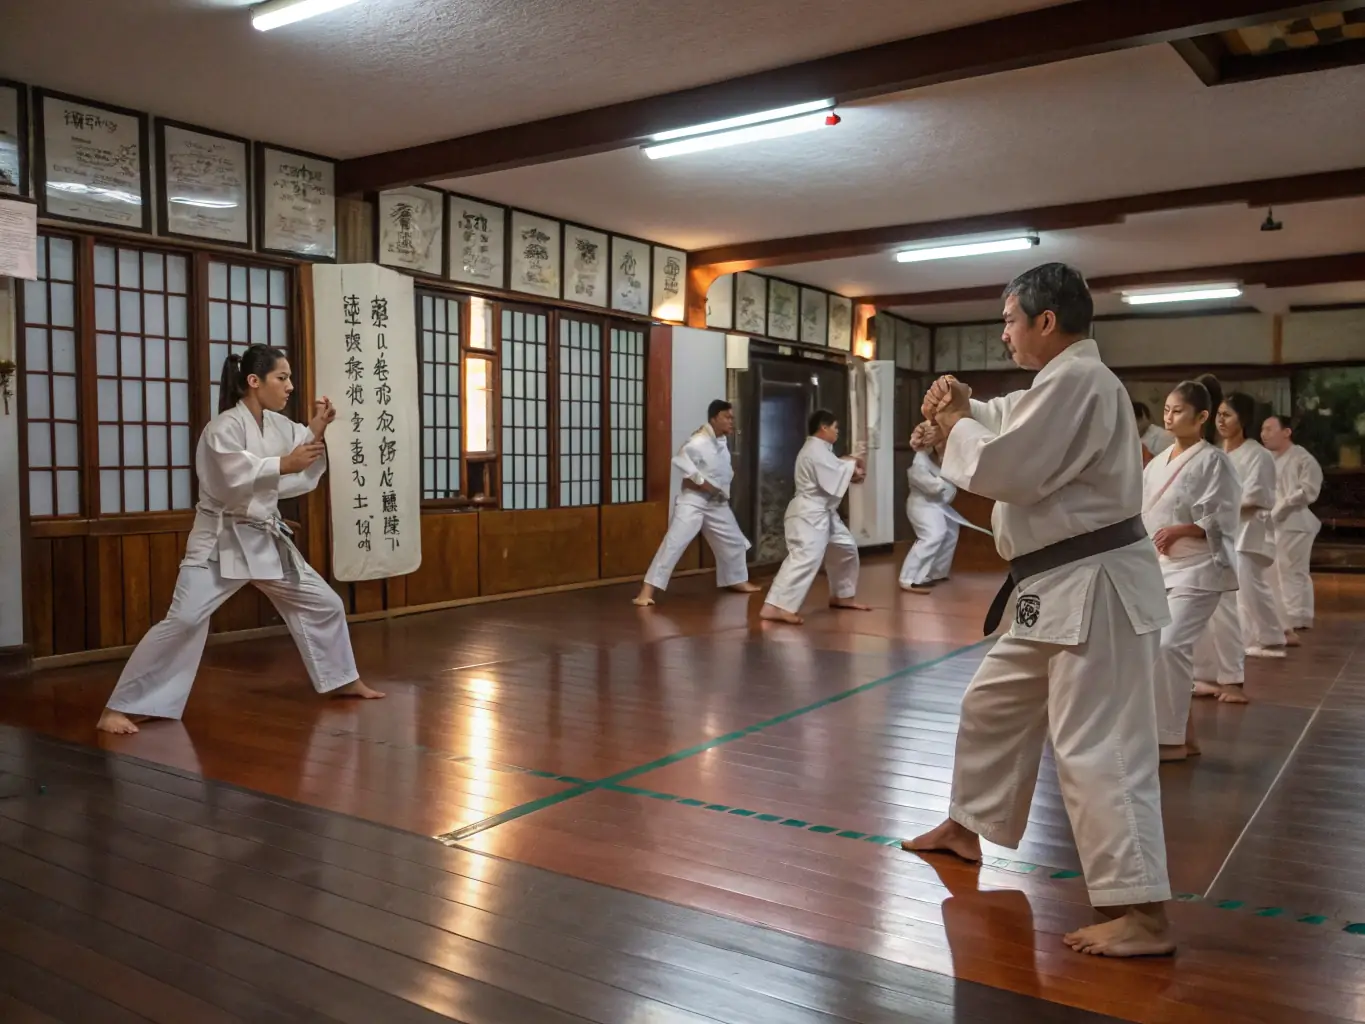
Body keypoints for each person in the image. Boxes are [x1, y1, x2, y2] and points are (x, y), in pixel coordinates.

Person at [903, 263, 1175, 958]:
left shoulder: (1082, 381)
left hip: (1095, 587)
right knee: (991, 703)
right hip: (1051, 588)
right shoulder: (1061, 385)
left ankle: (1141, 912)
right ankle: (967, 825)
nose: (1003, 334)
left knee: (1097, 748)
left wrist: (958, 420)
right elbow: (1010, 424)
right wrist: (958, 414)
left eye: (1008, 320)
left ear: (1044, 321)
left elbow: (1010, 468)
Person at [97, 345, 384, 735]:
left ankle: (342, 679)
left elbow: (300, 452)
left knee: (324, 603)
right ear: (254, 381)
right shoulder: (223, 429)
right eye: (281, 378)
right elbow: (235, 477)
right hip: (221, 541)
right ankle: (120, 707)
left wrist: (317, 426)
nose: (290, 387)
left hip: (264, 537)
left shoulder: (278, 425)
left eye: (289, 378)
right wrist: (285, 464)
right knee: (184, 618)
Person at [1142, 381, 1239, 759]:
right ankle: (1184, 732)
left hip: (1199, 567)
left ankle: (1170, 740)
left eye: (1178, 410)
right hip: (1160, 566)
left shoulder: (1214, 461)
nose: (1169, 416)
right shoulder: (1157, 463)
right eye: (1166, 409)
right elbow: (1144, 511)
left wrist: (1184, 528)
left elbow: (1225, 515)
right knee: (1156, 647)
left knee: (1170, 645)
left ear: (1201, 417)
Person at [1192, 393, 1283, 706]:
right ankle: (1206, 672)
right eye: (1218, 414)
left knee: (1241, 597)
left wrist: (1219, 512)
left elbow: (1258, 497)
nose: (1220, 421)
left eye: (1227, 415)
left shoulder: (1258, 455)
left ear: (1242, 419)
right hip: (1212, 536)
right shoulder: (1214, 453)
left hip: (1244, 530)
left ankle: (1249, 659)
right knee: (1208, 607)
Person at [634, 400, 760, 606]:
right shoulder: (699, 440)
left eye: (732, 417)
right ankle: (646, 591)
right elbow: (680, 460)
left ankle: (736, 580)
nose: (731, 421)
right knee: (674, 543)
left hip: (716, 503)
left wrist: (718, 489)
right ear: (713, 418)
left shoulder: (720, 442)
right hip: (693, 501)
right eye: (727, 417)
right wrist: (702, 482)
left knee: (734, 540)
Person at [759, 410, 870, 624]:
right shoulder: (813, 449)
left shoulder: (822, 451)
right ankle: (775, 606)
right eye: (835, 427)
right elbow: (837, 471)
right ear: (824, 427)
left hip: (823, 513)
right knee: (804, 557)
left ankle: (842, 595)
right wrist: (853, 465)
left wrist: (850, 468)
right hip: (808, 513)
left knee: (845, 549)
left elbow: (835, 471)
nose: (837, 432)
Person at [1261, 413, 1323, 640]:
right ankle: (1285, 617)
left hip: (1295, 521)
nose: (1264, 434)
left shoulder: (1303, 458)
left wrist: (1284, 505)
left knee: (1293, 570)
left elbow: (1308, 490)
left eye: (1269, 429)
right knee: (1276, 570)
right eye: (1263, 429)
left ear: (1286, 432)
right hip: (1271, 521)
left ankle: (1299, 616)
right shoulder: (1265, 458)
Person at [898, 422, 960, 594]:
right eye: (939, 442)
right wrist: (946, 482)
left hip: (936, 505)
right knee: (933, 535)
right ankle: (909, 577)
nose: (943, 445)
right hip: (922, 506)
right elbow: (933, 487)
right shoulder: (920, 463)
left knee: (951, 532)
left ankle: (935, 572)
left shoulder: (940, 458)